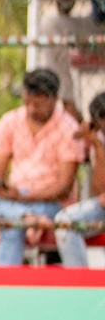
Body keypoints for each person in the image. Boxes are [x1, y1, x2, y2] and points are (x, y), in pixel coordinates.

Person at [0, 69, 82, 266]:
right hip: (14, 197)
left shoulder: (69, 128)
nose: (32, 109)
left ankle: (4, 288)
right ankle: (23, 216)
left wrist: (20, 198)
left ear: (54, 99)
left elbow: (63, 188)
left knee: (12, 225)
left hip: (48, 202)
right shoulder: (10, 121)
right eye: (28, 102)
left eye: (39, 104)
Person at [50, 91, 105, 268]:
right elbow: (99, 189)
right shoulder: (99, 140)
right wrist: (96, 145)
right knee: (64, 221)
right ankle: (78, 280)